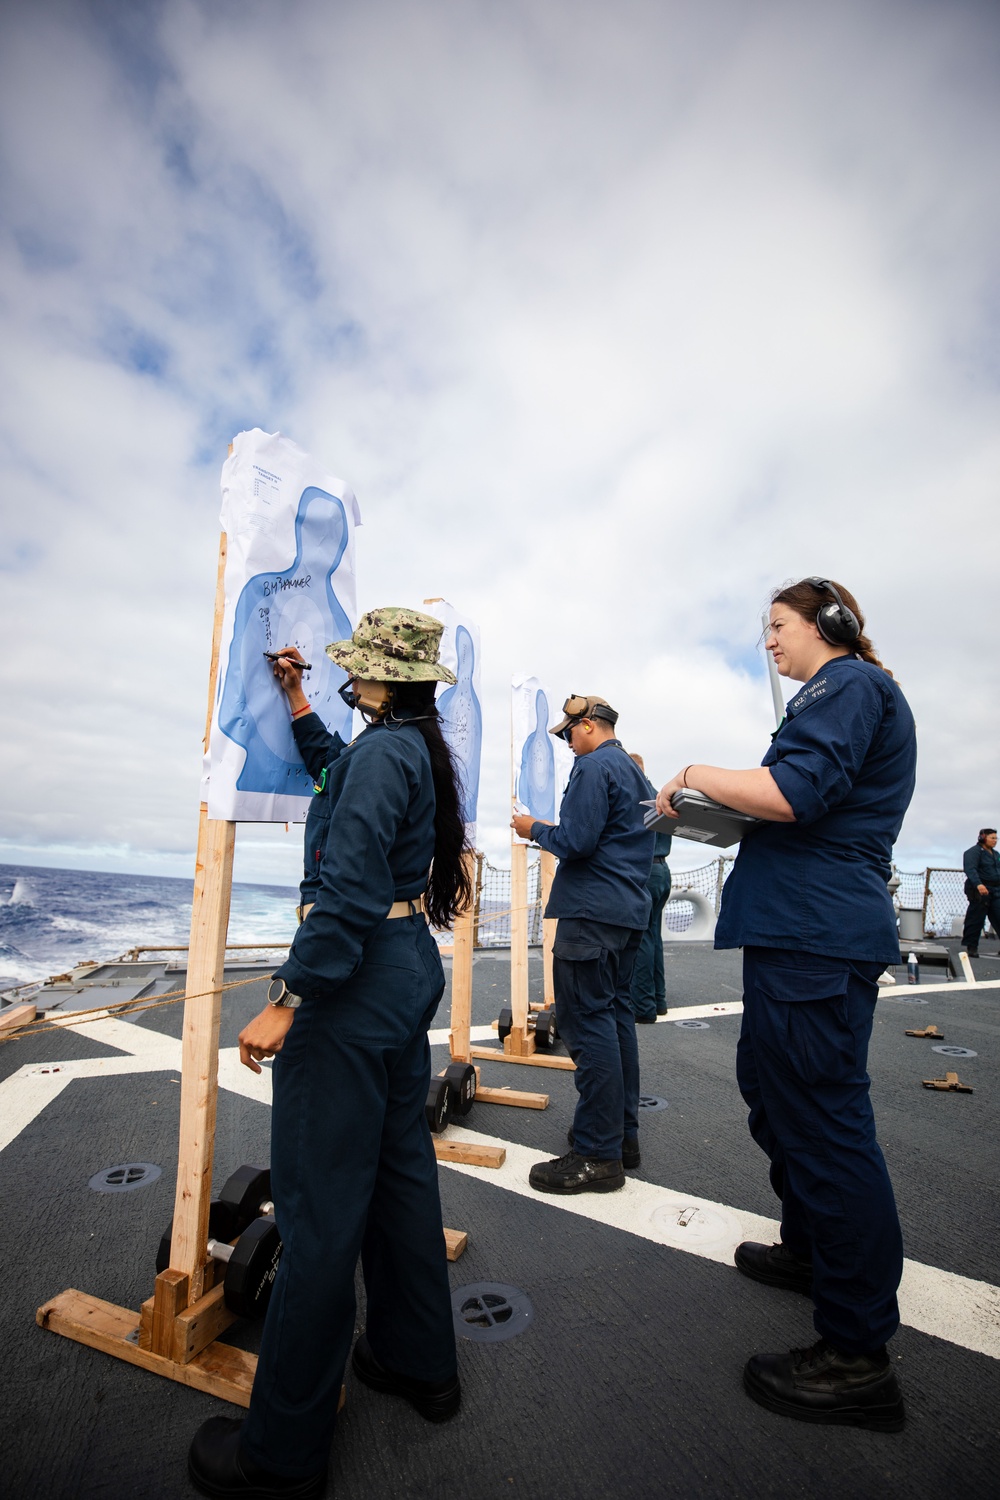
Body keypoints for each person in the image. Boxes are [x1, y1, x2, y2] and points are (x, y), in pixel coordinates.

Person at [188, 608, 473, 1500]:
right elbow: (334, 780)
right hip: (402, 970)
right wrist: (300, 700)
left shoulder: (386, 751)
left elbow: (346, 892)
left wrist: (287, 999)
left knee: (315, 1218)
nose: (352, 679)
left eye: (356, 671)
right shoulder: (406, 746)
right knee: (398, 1178)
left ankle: (281, 1457)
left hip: (350, 983)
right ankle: (416, 1362)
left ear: (382, 677)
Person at [655, 578, 915, 1432]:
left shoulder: (848, 686)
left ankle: (856, 1355)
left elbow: (793, 793)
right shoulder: (841, 695)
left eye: (778, 626)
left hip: (816, 940)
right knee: (777, 1099)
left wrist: (694, 774)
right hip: (801, 936)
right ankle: (812, 1252)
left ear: (825, 626)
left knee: (827, 1128)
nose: (769, 642)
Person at [512, 695, 654, 1194]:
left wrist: (535, 829)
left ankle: (596, 1153)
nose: (568, 744)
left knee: (587, 1026)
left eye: (569, 734)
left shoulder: (594, 768)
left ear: (588, 726)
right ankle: (621, 1138)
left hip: (590, 913)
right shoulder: (637, 775)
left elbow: (576, 841)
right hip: (625, 912)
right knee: (615, 1022)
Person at [628, 752, 672, 1022]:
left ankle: (642, 1008)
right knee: (654, 936)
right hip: (663, 871)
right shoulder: (659, 795)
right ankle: (658, 1000)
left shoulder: (636, 798)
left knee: (641, 939)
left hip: (644, 872)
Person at [961, 828, 1000, 957]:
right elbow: (970, 869)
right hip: (980, 891)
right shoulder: (973, 853)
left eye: (996, 838)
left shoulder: (996, 855)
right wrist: (978, 884)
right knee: (976, 918)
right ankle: (972, 947)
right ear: (983, 838)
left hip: (996, 890)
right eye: (992, 838)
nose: (995, 841)